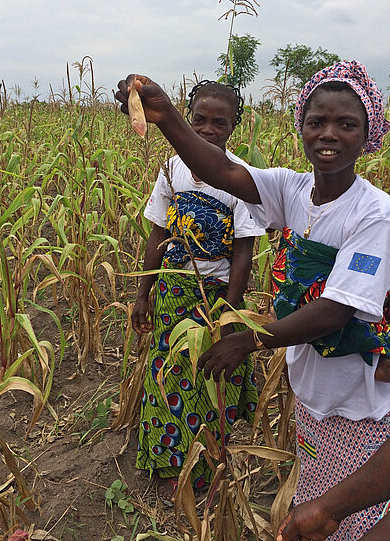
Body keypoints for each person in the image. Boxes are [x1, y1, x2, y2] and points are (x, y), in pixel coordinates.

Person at [116, 61, 390, 537]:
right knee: (317, 502)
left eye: (347, 124)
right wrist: (167, 115)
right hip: (313, 393)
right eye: (316, 122)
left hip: (358, 404)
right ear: (300, 127)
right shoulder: (294, 189)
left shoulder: (377, 214)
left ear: (368, 133)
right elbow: (218, 168)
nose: (329, 134)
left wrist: (247, 341)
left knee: (351, 518)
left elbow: (336, 309)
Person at [131, 80, 264, 503]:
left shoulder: (239, 178)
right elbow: (158, 232)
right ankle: (170, 459)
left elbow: (244, 250)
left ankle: (207, 466)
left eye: (218, 122)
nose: (208, 129)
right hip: (174, 288)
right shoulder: (171, 169)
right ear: (188, 120)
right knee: (169, 372)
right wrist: (143, 292)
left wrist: (229, 308)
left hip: (215, 293)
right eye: (200, 120)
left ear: (233, 126)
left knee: (207, 375)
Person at [275, 233, 390, 541]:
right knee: (318, 474)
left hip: (366, 415)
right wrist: (328, 509)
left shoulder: (379, 222)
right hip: (321, 408)